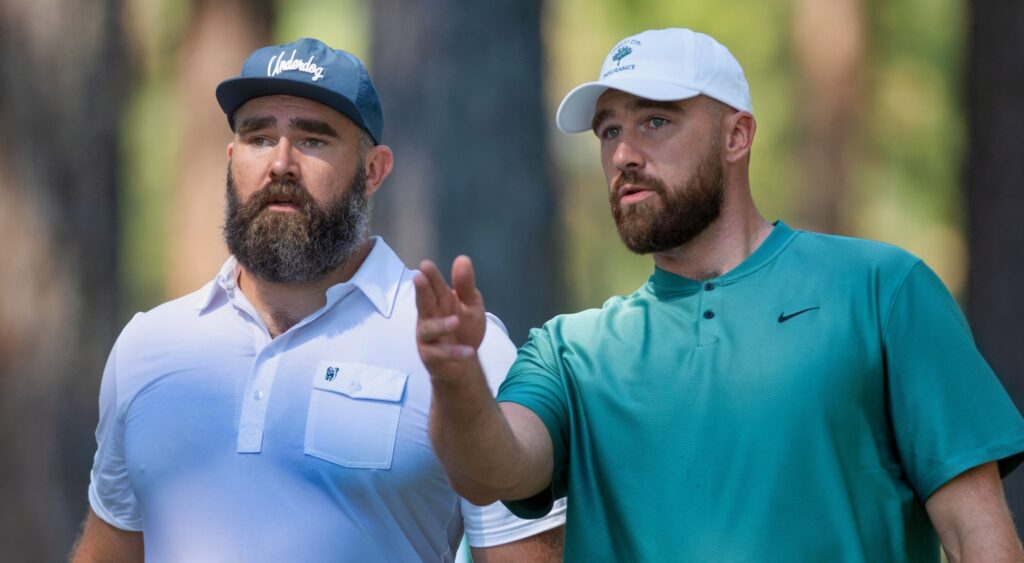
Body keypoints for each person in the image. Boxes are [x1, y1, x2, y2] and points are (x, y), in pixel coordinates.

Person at [414, 28, 1024, 562]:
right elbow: (489, 469)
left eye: (655, 121)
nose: (623, 154)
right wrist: (455, 378)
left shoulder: (881, 289)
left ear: (737, 136)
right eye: (608, 131)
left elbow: (978, 537)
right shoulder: (571, 352)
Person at [71, 37, 564, 562]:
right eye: (259, 137)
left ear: (373, 170)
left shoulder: (463, 351)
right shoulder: (149, 346)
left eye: (313, 140)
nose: (281, 163)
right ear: (232, 158)